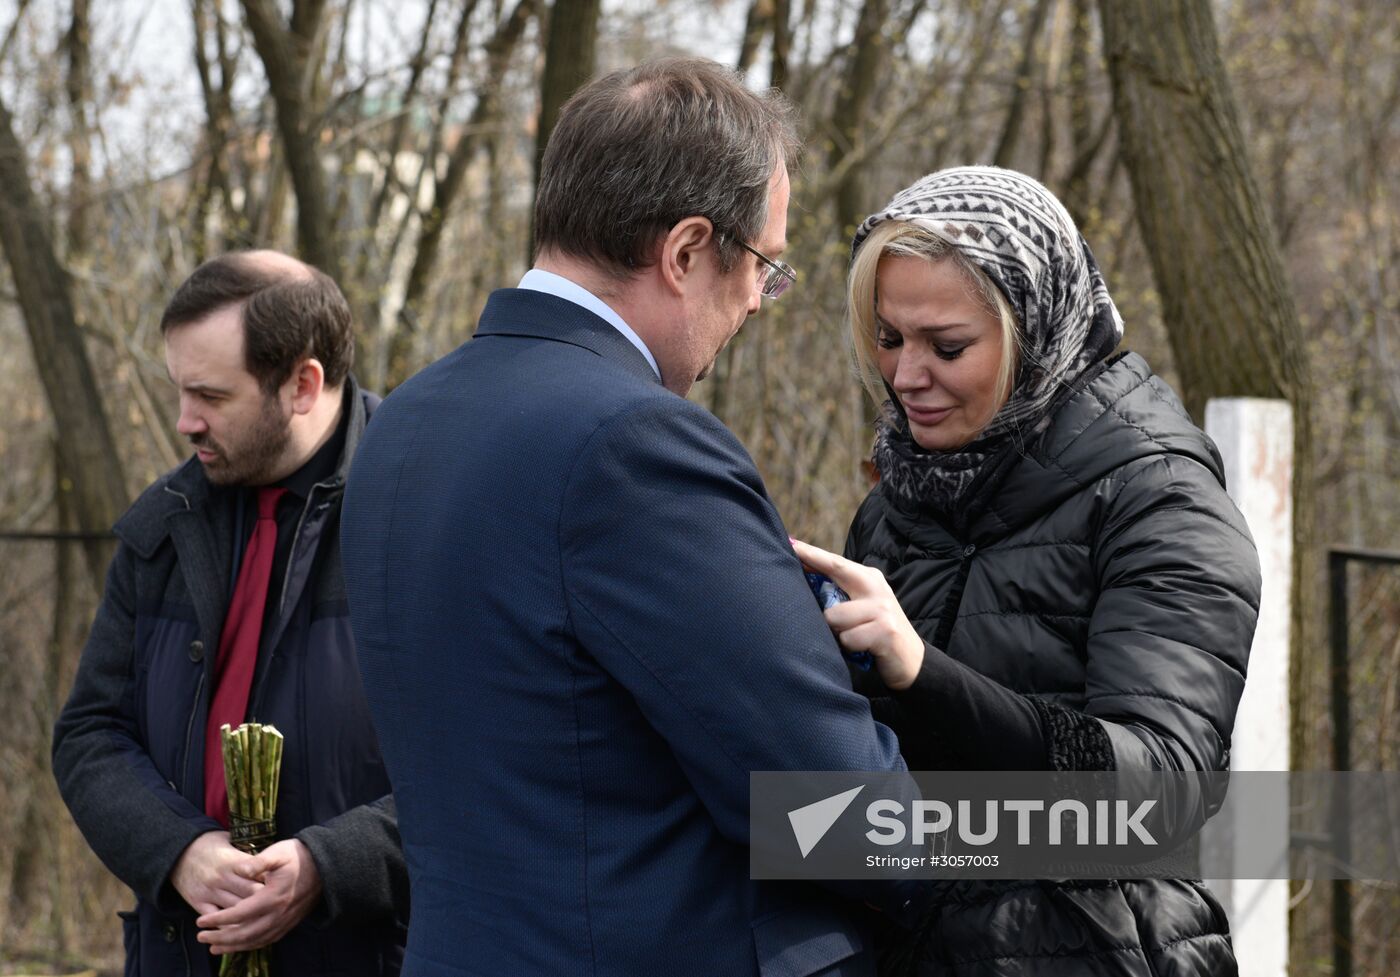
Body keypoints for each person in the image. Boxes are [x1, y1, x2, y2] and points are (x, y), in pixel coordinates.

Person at [340, 58, 923, 977]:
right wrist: (1073, 834)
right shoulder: (635, 443)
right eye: (765, 269)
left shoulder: (404, 421)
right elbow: (835, 812)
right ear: (689, 252)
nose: (756, 308)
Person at [791, 166, 1261, 976]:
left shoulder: (1160, 497)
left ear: (1035, 331)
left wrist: (922, 675)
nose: (905, 377)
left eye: (948, 346)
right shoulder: (901, 499)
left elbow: (1162, 798)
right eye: (889, 337)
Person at [52, 251, 407, 977]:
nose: (184, 421)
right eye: (181, 391)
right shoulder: (163, 528)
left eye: (211, 396)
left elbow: (490, 767)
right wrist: (180, 850)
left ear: (303, 384)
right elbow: (89, 734)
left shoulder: (422, 518)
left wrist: (327, 866)